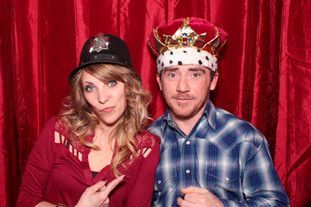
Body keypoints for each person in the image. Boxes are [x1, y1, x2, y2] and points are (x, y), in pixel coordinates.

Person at [148, 17, 289, 207]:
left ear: (213, 81)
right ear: (159, 82)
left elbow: (278, 203)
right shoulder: (146, 141)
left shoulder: (245, 137)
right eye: (172, 74)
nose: (182, 86)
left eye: (195, 74)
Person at [17, 33, 160, 207]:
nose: (101, 98)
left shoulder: (145, 148)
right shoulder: (59, 131)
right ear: (82, 94)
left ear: (129, 86)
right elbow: (26, 200)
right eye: (90, 87)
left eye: (111, 82)